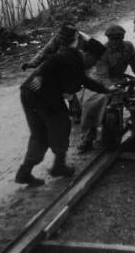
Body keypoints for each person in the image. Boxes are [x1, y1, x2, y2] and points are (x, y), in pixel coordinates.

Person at [15, 38, 112, 186]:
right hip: (42, 95)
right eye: (95, 59)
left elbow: (84, 80)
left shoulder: (73, 59)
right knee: (61, 124)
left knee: (40, 134)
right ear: (88, 54)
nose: (95, 64)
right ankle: (58, 166)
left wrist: (105, 90)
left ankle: (24, 172)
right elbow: (53, 65)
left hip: (29, 92)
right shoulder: (70, 59)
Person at [77, 25, 135, 152]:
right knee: (92, 104)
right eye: (112, 39)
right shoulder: (102, 51)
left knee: (134, 99)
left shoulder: (128, 47)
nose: (115, 42)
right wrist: (111, 89)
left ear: (123, 38)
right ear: (108, 39)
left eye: (118, 38)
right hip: (99, 80)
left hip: (119, 79)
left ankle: (131, 127)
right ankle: (87, 138)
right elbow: (103, 75)